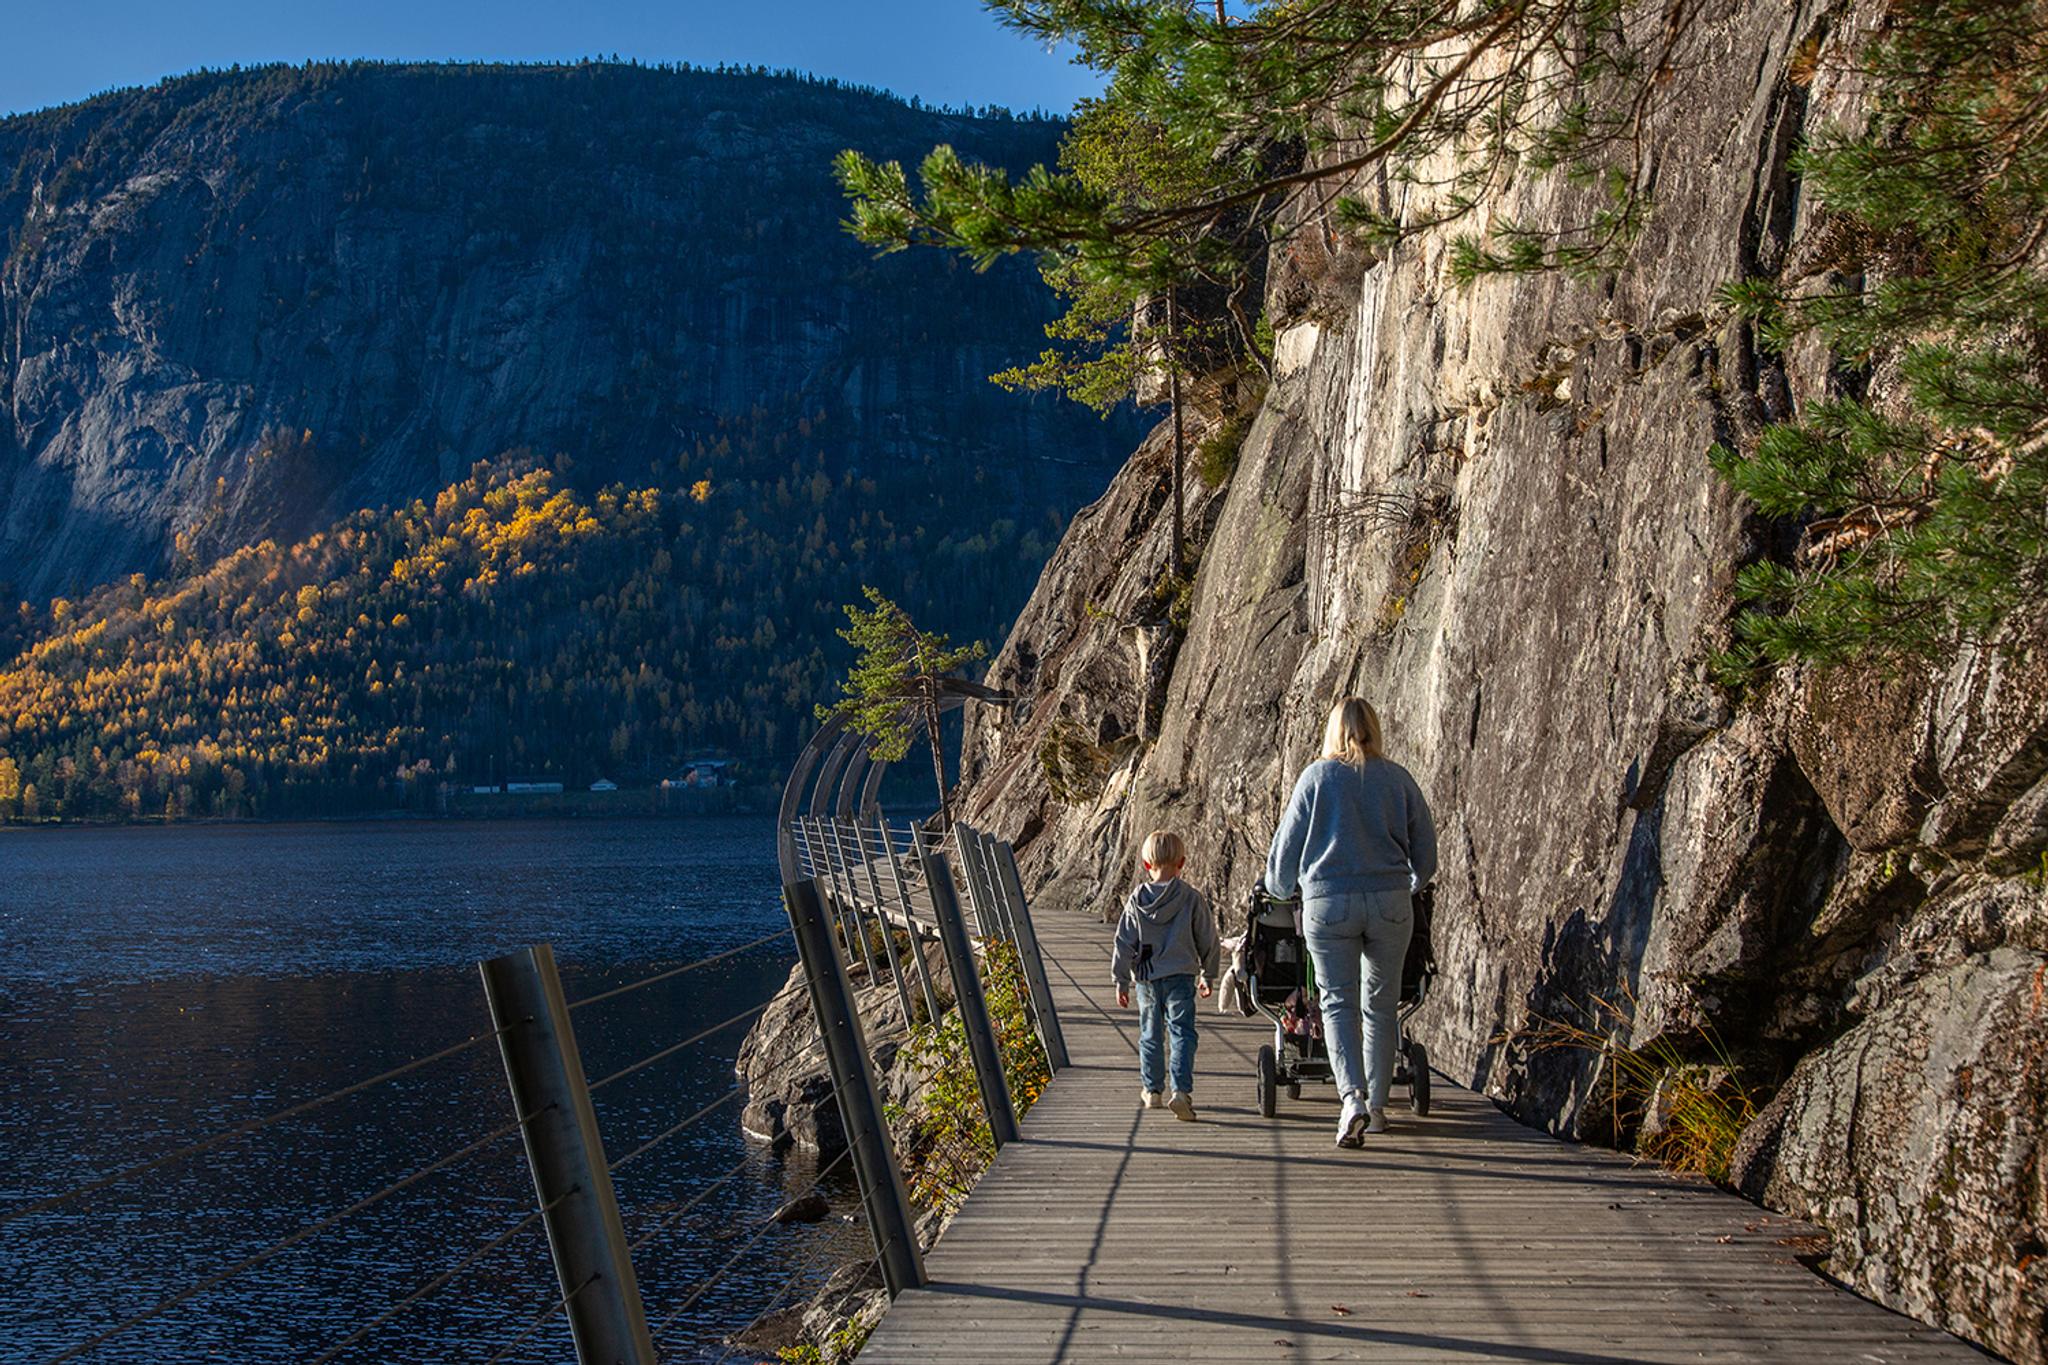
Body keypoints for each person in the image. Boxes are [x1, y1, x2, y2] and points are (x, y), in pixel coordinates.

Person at [1264, 697, 1437, 1147]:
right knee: (1380, 1005)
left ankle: (1352, 1099)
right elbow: (1427, 858)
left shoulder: (1316, 778)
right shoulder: (1398, 779)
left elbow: (1284, 859)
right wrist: (1407, 883)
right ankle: (1378, 1109)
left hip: (1329, 901)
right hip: (1391, 901)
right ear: (1374, 729)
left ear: (1333, 731)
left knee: (1337, 1002)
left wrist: (1282, 889)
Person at [1111, 829, 1219, 1121]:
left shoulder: (1136, 899)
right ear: (1182, 862)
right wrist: (1209, 974)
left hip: (1146, 977)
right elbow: (1208, 937)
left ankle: (1152, 1090)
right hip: (1181, 975)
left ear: (1147, 865)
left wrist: (1121, 979)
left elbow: (1124, 941)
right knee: (1182, 1032)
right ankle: (1181, 1092)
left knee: (1150, 1034)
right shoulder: (1191, 898)